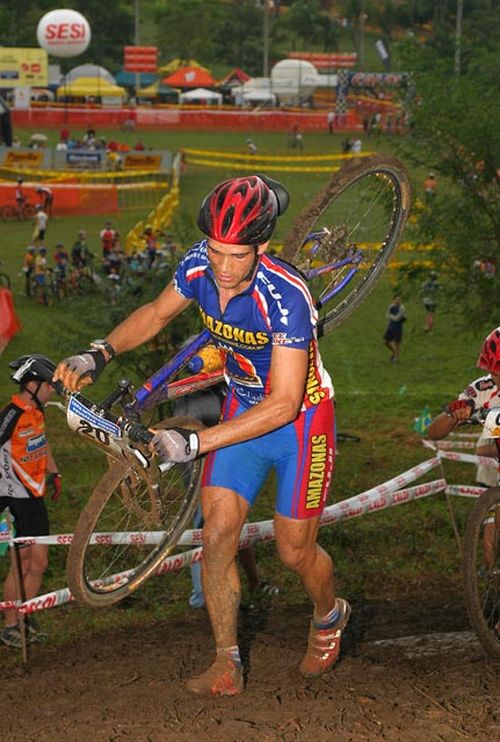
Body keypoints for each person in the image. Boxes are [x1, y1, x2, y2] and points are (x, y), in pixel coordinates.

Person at [54, 174, 349, 697]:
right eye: (216, 252)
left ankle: (328, 615)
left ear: (261, 247)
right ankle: (224, 661)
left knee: (294, 553)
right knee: (216, 537)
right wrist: (98, 353)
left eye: (237, 255)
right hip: (240, 410)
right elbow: (155, 313)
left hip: (300, 422)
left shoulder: (286, 297)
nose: (224, 267)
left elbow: (282, 403)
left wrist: (193, 443)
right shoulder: (198, 265)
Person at [0, 355, 61, 648]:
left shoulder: (37, 412)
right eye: (49, 386)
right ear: (33, 385)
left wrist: (54, 472)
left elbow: (41, 442)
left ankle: (25, 616)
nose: (52, 391)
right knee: (21, 562)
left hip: (34, 497)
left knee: (40, 561)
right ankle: (11, 625)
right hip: (14, 497)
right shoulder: (11, 414)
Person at [427, 327, 500, 570]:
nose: (497, 376)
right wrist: (454, 414)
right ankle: (490, 570)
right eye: (494, 370)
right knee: (493, 512)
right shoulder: (482, 389)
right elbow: (433, 432)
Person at [383, 295, 406, 363]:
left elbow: (397, 318)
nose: (398, 301)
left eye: (399, 300)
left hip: (398, 328)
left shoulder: (402, 308)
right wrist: (392, 317)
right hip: (391, 327)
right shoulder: (391, 306)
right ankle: (394, 351)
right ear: (394, 300)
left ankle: (395, 358)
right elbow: (387, 316)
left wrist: (392, 317)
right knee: (386, 342)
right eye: (396, 299)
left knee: (397, 343)